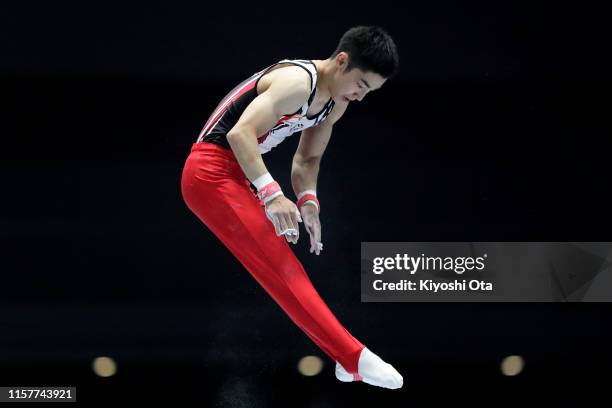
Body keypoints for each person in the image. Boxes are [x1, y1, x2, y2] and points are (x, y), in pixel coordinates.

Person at [181, 25, 402, 389]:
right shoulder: (298, 81)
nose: (360, 97)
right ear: (342, 61)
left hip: (237, 173)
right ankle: (352, 357)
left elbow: (307, 159)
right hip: (209, 171)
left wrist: (308, 201)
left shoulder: (335, 104)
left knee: (281, 265)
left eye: (370, 93)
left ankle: (346, 359)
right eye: (361, 85)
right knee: (282, 265)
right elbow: (239, 134)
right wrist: (272, 194)